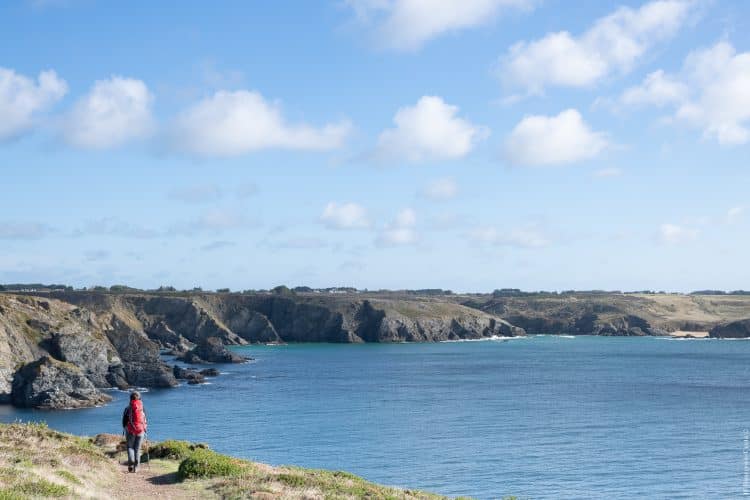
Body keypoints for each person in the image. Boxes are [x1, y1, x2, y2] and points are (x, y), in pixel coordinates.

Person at [122, 391, 148, 473]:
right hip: (141, 431)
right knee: (137, 449)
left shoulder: (127, 408)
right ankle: (136, 467)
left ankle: (131, 464)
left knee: (130, 447)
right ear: (139, 398)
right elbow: (144, 419)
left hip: (130, 430)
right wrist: (144, 429)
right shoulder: (142, 408)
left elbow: (124, 421)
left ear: (130, 399)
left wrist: (124, 427)